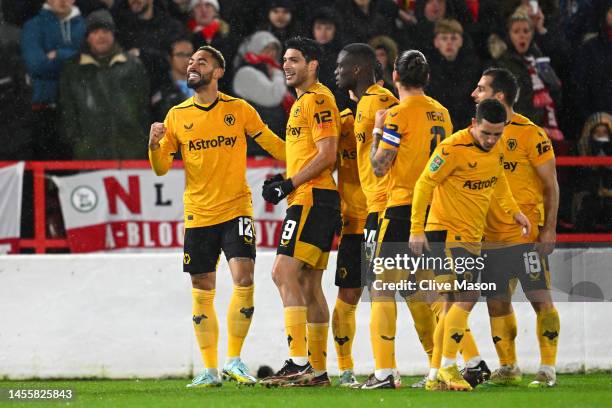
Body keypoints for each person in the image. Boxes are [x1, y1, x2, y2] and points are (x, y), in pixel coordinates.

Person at [148, 45, 286, 387]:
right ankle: (210, 370)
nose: (193, 66)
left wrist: (307, 160)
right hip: (198, 214)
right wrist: (153, 145)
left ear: (218, 72)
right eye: (191, 61)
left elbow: (272, 143)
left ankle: (234, 361)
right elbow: (162, 168)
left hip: (236, 208)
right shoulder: (177, 115)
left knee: (244, 278)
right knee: (201, 288)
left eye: (202, 62)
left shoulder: (238, 110)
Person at [409, 98, 531, 391]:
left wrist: (514, 211)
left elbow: (498, 179)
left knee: (452, 303)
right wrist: (416, 228)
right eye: (486, 133)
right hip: (446, 233)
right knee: (468, 294)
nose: (491, 140)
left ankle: (435, 375)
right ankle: (450, 368)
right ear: (474, 123)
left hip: (471, 237)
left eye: (497, 134)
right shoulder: (452, 148)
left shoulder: (497, 148)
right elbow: (424, 184)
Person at [366, 49, 452, 389]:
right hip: (437, 209)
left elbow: (378, 165)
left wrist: (376, 130)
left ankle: (385, 373)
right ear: (427, 78)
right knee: (429, 291)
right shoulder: (442, 114)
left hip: (402, 206)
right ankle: (438, 369)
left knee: (381, 288)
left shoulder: (396, 116)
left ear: (395, 78)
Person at [471, 67, 561, 388]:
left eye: (480, 89)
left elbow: (551, 186)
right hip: (490, 237)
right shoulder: (477, 133)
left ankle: (548, 367)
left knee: (540, 299)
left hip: (526, 237)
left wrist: (549, 229)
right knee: (496, 303)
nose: (474, 94)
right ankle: (508, 366)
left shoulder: (531, 134)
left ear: (500, 96)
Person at [259, 37, 341, 387]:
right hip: (315, 198)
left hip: (311, 198)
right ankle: (318, 372)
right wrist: (286, 178)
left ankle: (297, 362)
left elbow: (327, 155)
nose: (287, 65)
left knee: (282, 273)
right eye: (284, 60)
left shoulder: (318, 99)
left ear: (313, 64)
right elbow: (310, 154)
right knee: (309, 285)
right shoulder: (303, 102)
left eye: (294, 59)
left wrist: (290, 183)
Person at [334, 43, 399, 388]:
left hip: (381, 214)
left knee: (391, 292)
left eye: (341, 65)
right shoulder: (353, 114)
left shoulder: (381, 102)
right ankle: (346, 370)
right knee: (349, 296)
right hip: (355, 220)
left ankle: (389, 370)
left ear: (357, 69)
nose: (336, 72)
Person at [58, 9, 150, 159]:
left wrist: (142, 139)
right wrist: (78, 142)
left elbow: (144, 109)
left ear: (113, 34)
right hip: (89, 156)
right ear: (87, 37)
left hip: (132, 153)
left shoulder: (133, 65)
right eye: (95, 32)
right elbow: (67, 111)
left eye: (105, 30)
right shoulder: (72, 69)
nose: (101, 36)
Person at [21, 0, 85, 159]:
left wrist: (58, 54)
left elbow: (89, 63)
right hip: (44, 110)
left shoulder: (85, 26)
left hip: (81, 111)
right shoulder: (33, 26)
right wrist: (73, 59)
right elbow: (36, 66)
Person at [495, 11, 564, 141]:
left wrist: (553, 84)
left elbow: (556, 93)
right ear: (509, 35)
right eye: (516, 31)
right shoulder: (501, 64)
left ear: (532, 34)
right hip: (515, 132)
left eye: (526, 31)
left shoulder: (540, 60)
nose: (522, 36)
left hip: (544, 130)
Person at [232, 31, 290, 154]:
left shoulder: (271, 72)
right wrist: (277, 73)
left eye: (274, 49)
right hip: (256, 148)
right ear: (255, 48)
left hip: (271, 145)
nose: (271, 53)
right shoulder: (246, 73)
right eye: (266, 48)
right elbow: (273, 97)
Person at [152, 37, 195, 121]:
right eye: (180, 55)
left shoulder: (206, 84)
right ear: (170, 58)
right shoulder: (162, 90)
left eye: (190, 55)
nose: (187, 60)